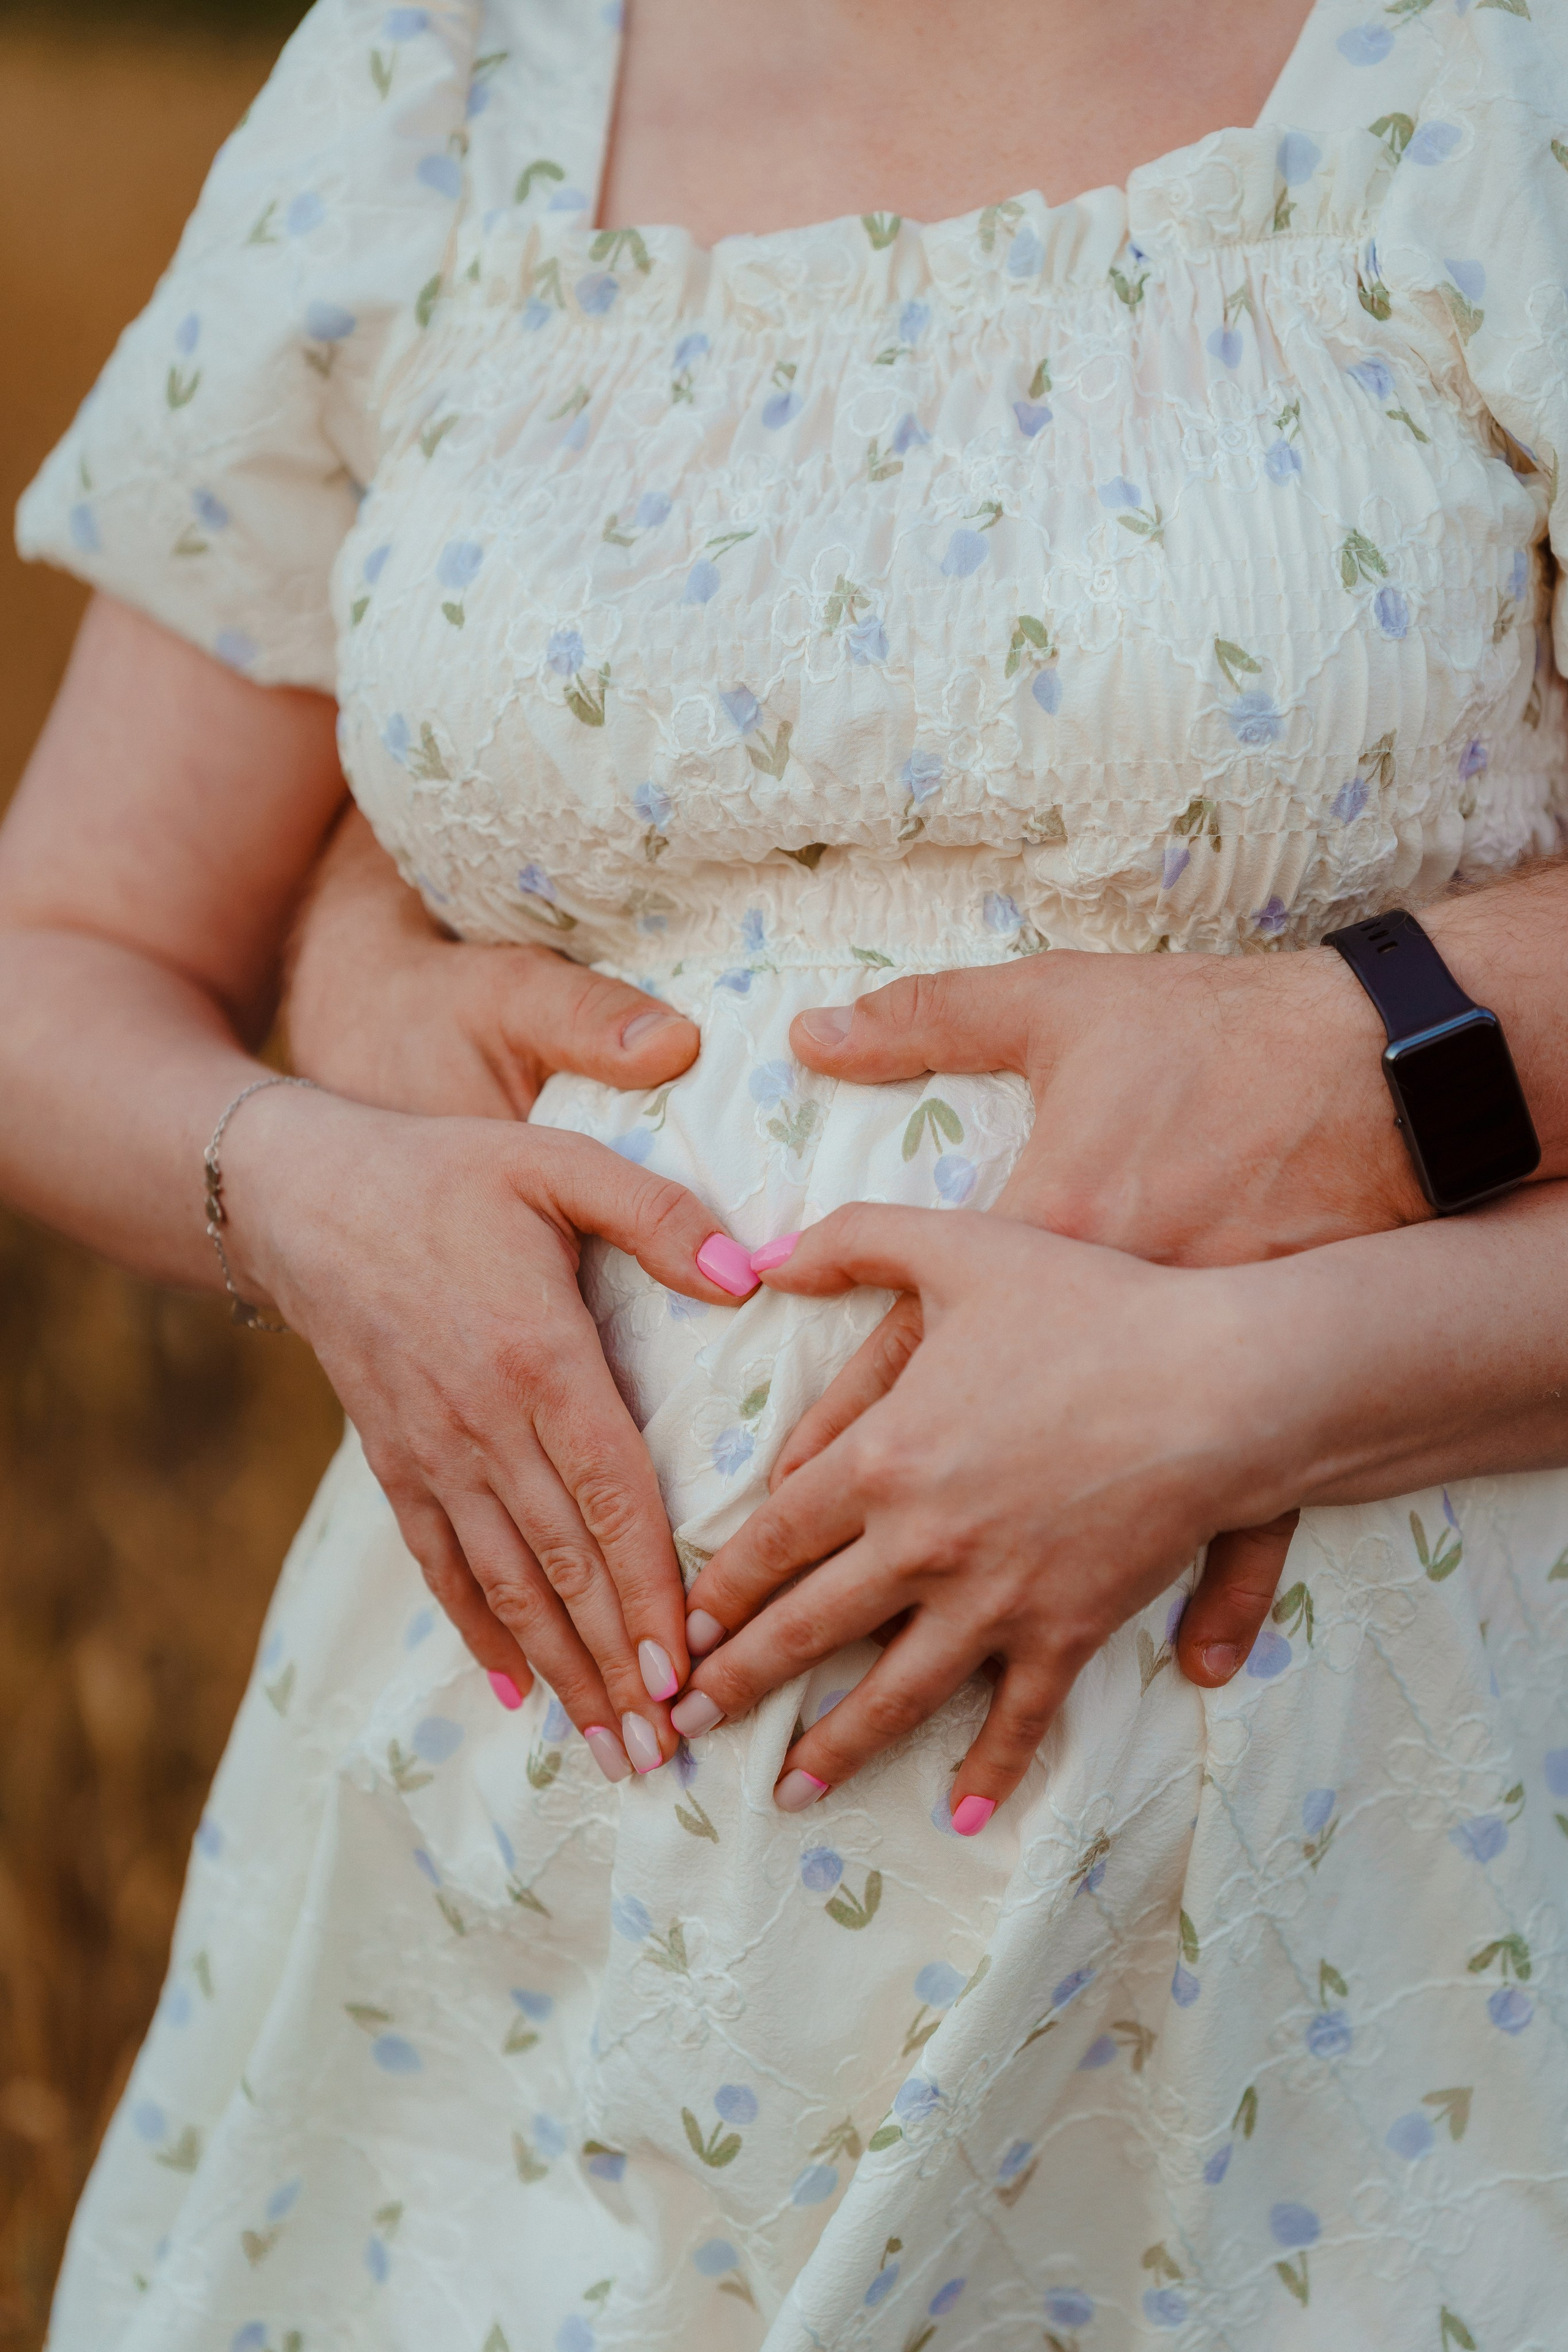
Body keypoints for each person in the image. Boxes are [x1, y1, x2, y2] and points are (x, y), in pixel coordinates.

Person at [4, 0, 1568, 2340]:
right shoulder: (439, 80)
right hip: (519, 1914)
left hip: (1350, 1895)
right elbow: (68, 949)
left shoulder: (1491, 76)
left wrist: (1245, 1375)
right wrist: (311, 1189)